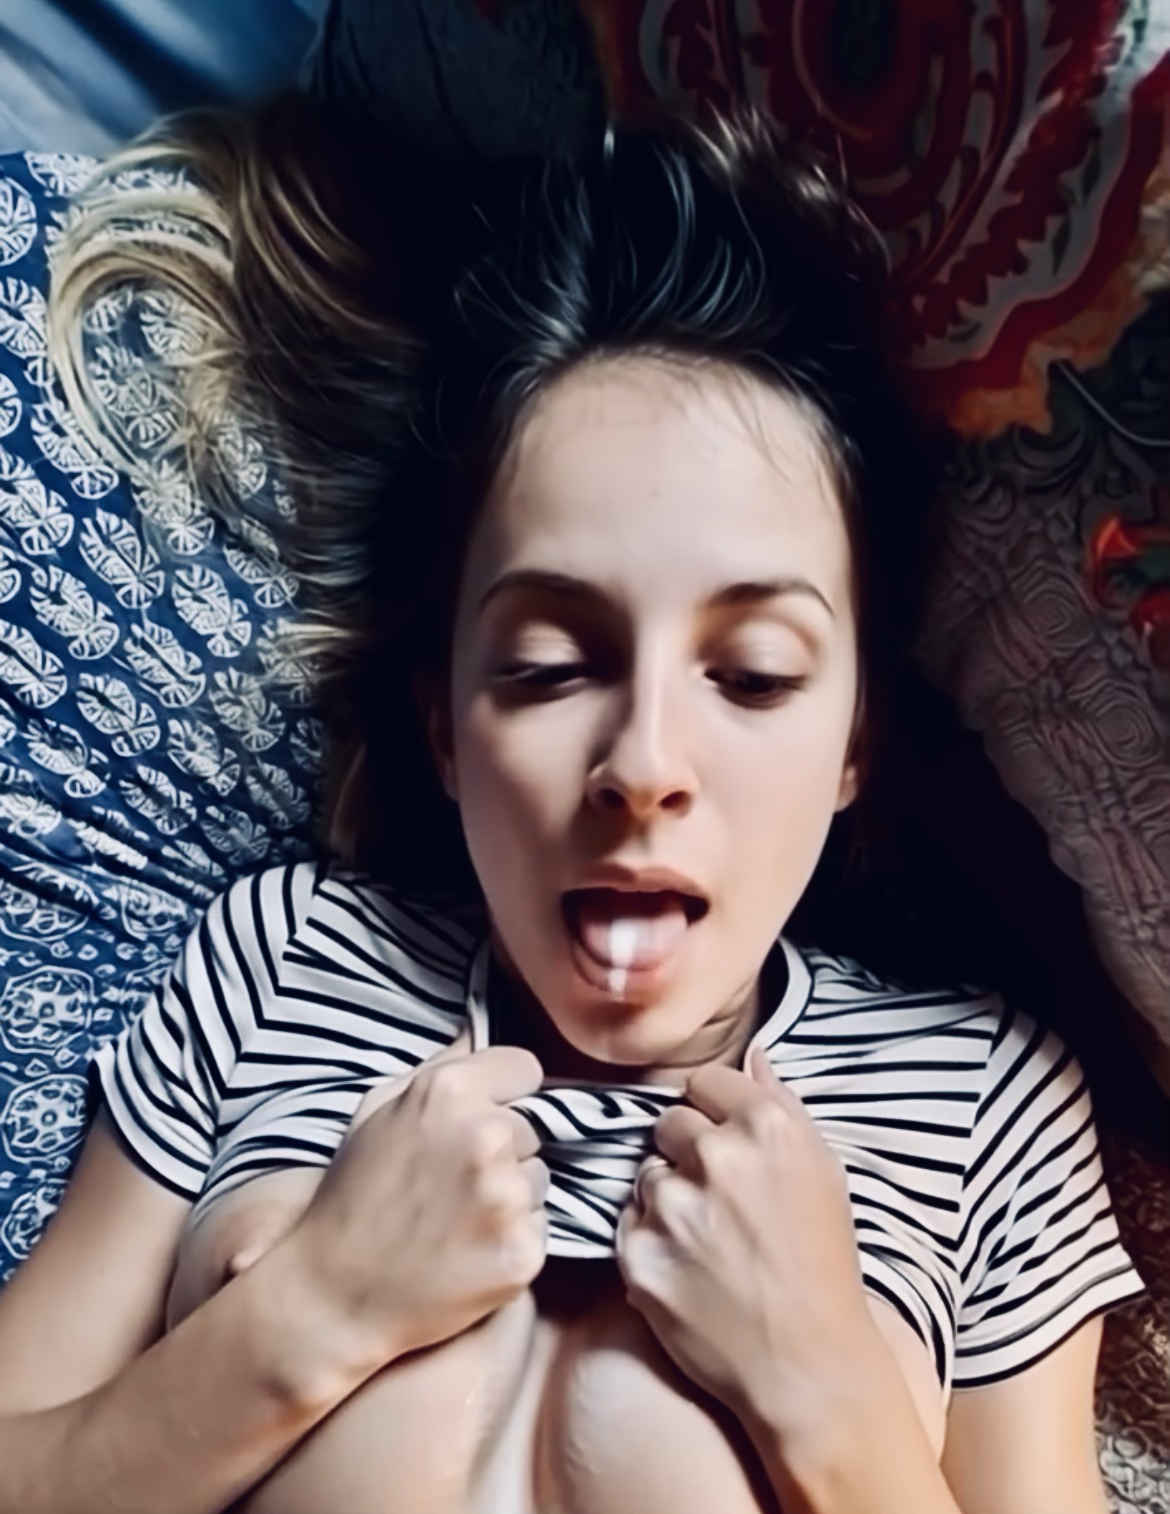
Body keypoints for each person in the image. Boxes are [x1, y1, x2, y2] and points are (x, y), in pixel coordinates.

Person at [0, 103, 1145, 1514]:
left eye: (752, 672)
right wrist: (305, 1320)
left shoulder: (982, 1099)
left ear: (856, 740)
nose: (642, 763)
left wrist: (830, 1395)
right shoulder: (281, 960)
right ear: (444, 721)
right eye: (548, 666)